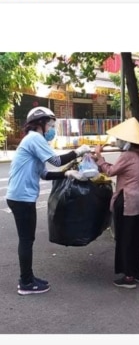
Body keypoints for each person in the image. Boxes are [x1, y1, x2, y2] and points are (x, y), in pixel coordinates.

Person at [6, 106, 90, 295]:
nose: (52, 129)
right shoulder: (34, 138)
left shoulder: (33, 141)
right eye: (50, 125)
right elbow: (57, 161)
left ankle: (28, 277)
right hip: (21, 197)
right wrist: (79, 151)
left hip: (20, 196)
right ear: (41, 123)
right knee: (26, 240)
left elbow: (44, 173)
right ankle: (25, 283)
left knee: (28, 239)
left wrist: (67, 174)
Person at [92, 117, 139, 289]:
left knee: (125, 238)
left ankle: (128, 276)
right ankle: (138, 273)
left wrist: (98, 156)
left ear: (127, 141)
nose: (116, 141)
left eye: (119, 139)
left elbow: (110, 171)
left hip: (129, 202)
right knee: (137, 238)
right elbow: (120, 169)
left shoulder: (127, 155)